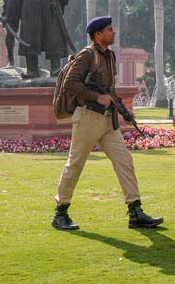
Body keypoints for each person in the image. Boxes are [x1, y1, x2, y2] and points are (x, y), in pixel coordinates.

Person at [52, 16, 163, 230]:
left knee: (124, 160)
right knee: (75, 164)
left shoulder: (110, 56)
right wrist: (96, 97)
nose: (114, 33)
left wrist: (124, 110)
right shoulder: (87, 55)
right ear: (98, 34)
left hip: (106, 120)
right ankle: (60, 213)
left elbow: (109, 90)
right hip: (87, 118)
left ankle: (135, 211)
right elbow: (70, 83)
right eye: (110, 30)